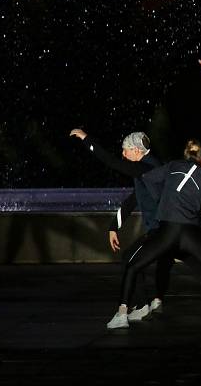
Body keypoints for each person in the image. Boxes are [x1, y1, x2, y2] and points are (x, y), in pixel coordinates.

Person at [105, 140, 201, 329]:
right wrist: (199, 223)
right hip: (189, 232)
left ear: (185, 156)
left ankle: (122, 315)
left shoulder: (173, 166)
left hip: (167, 230)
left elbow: (148, 179)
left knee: (132, 266)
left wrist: (161, 206)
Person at [69, 129, 165, 320]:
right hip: (164, 228)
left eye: (125, 150)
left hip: (163, 229)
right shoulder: (146, 169)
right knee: (195, 259)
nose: (123, 154)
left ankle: (141, 304)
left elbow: (111, 162)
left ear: (137, 151)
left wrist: (86, 138)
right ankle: (150, 300)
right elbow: (133, 200)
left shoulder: (146, 168)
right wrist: (114, 226)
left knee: (131, 260)